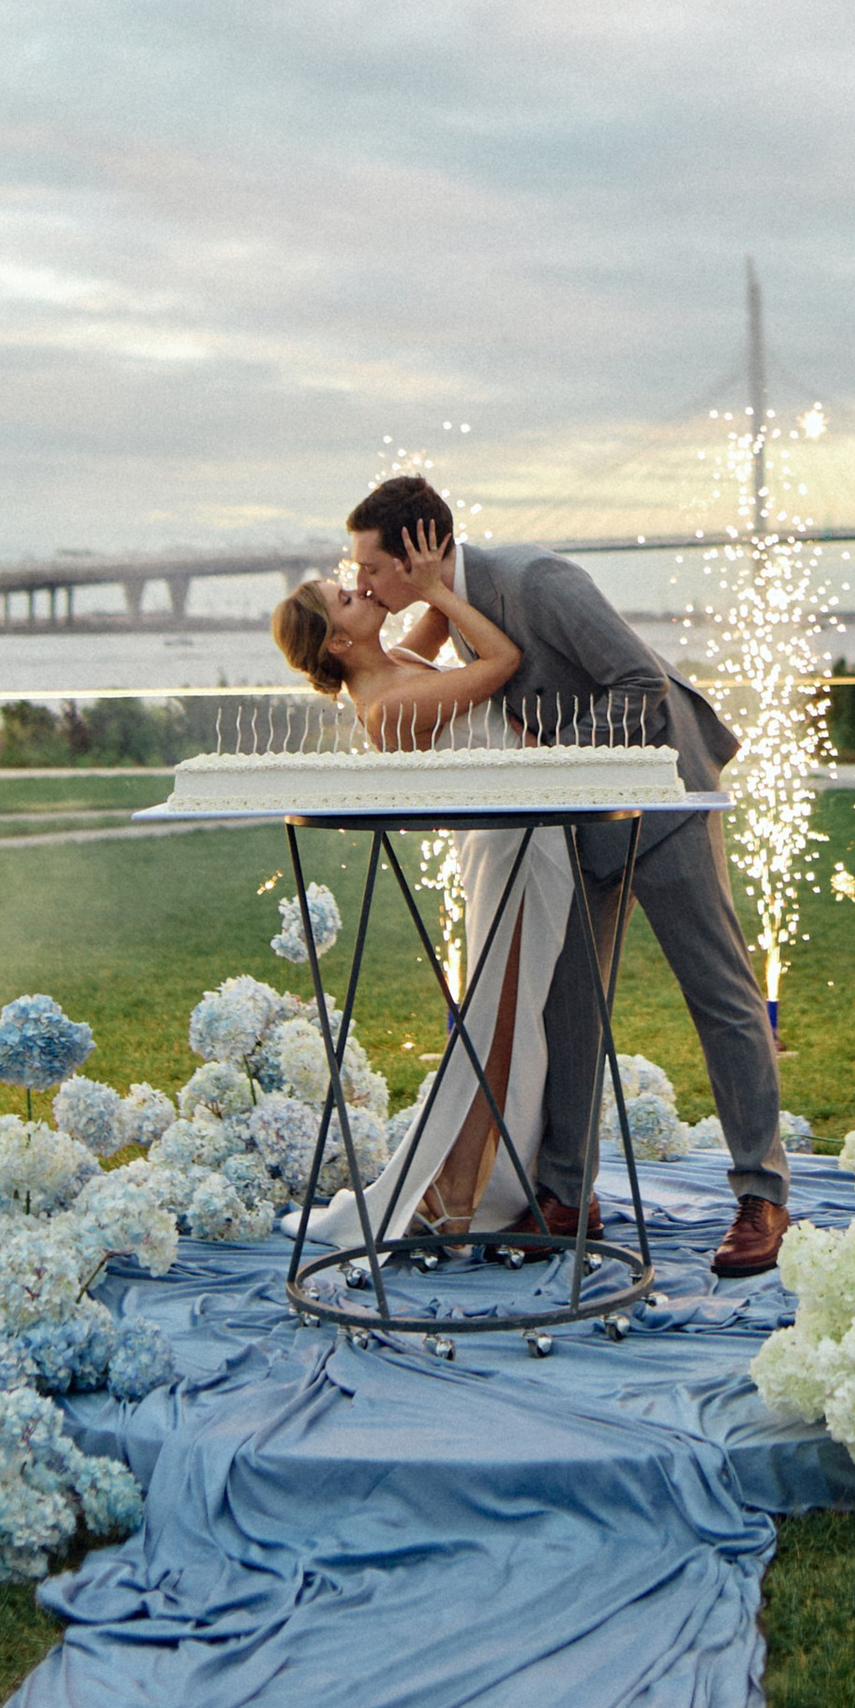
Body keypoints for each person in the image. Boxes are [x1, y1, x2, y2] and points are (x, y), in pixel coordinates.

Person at [341, 474, 790, 1280]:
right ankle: (567, 1196)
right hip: (572, 820)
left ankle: (762, 1194)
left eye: (371, 568)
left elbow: (639, 685)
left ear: (416, 549)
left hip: (663, 794)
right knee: (572, 1006)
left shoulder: (537, 580)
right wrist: (430, 599)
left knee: (718, 993)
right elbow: (403, 667)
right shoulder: (454, 604)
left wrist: (558, 770)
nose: (362, 584)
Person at [270, 527, 571, 1243]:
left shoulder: (399, 661)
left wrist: (414, 571)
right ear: (339, 643)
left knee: (511, 1017)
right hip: (509, 846)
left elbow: (435, 616)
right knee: (497, 1022)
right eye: (347, 597)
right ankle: (457, 1196)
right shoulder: (388, 707)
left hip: (530, 835)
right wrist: (431, 587)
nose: (360, 590)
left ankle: (468, 1187)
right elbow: (503, 660)